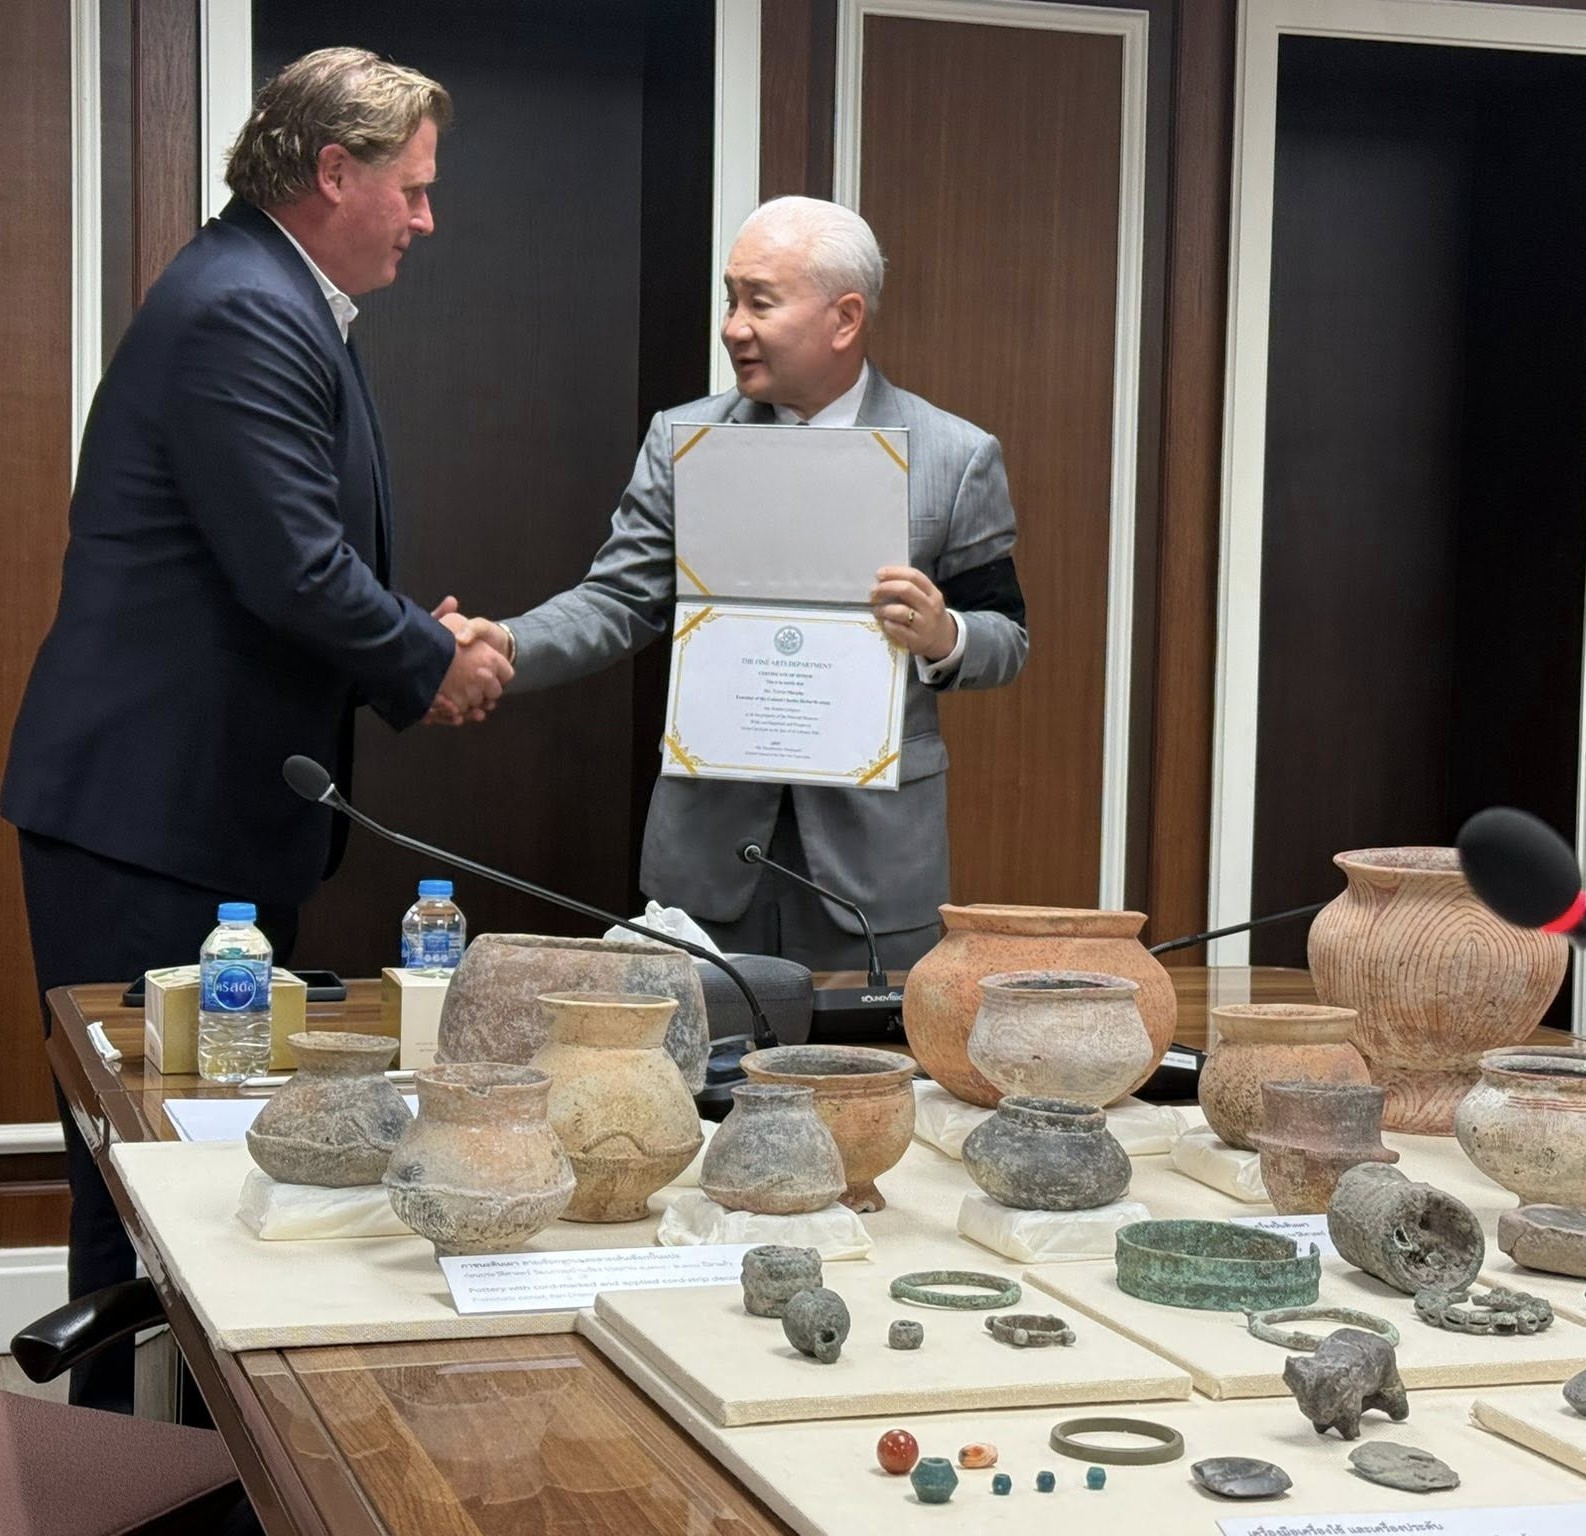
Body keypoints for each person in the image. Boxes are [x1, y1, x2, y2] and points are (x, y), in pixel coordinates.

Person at [1, 46, 509, 1412]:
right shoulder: (243, 306)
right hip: (145, 822)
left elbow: (288, 557)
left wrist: (413, 633)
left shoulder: (273, 295)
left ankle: (165, 1466)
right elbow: (289, 567)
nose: (424, 218)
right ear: (332, 172)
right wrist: (428, 659)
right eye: (409, 189)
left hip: (186, 815)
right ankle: (136, 1469)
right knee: (146, 1169)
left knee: (176, 1162)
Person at [465, 196, 1027, 972]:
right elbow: (618, 601)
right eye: (731, 299)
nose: (733, 325)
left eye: (759, 302)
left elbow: (1007, 636)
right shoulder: (686, 440)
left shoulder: (955, 456)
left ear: (844, 318)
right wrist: (506, 641)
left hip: (875, 870)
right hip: (706, 867)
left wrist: (944, 635)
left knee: (864, 1089)